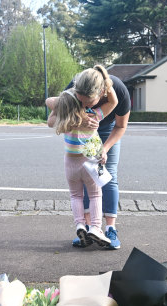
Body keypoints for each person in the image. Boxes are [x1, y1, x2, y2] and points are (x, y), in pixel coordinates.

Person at [48, 65, 131, 250]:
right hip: (89, 131)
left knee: (106, 178)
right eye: (81, 101)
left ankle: (109, 228)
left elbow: (121, 125)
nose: (84, 106)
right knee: (93, 190)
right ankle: (91, 228)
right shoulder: (75, 88)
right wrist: (76, 118)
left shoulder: (118, 89)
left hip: (107, 129)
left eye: (88, 102)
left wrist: (105, 148)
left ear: (102, 92)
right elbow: (53, 118)